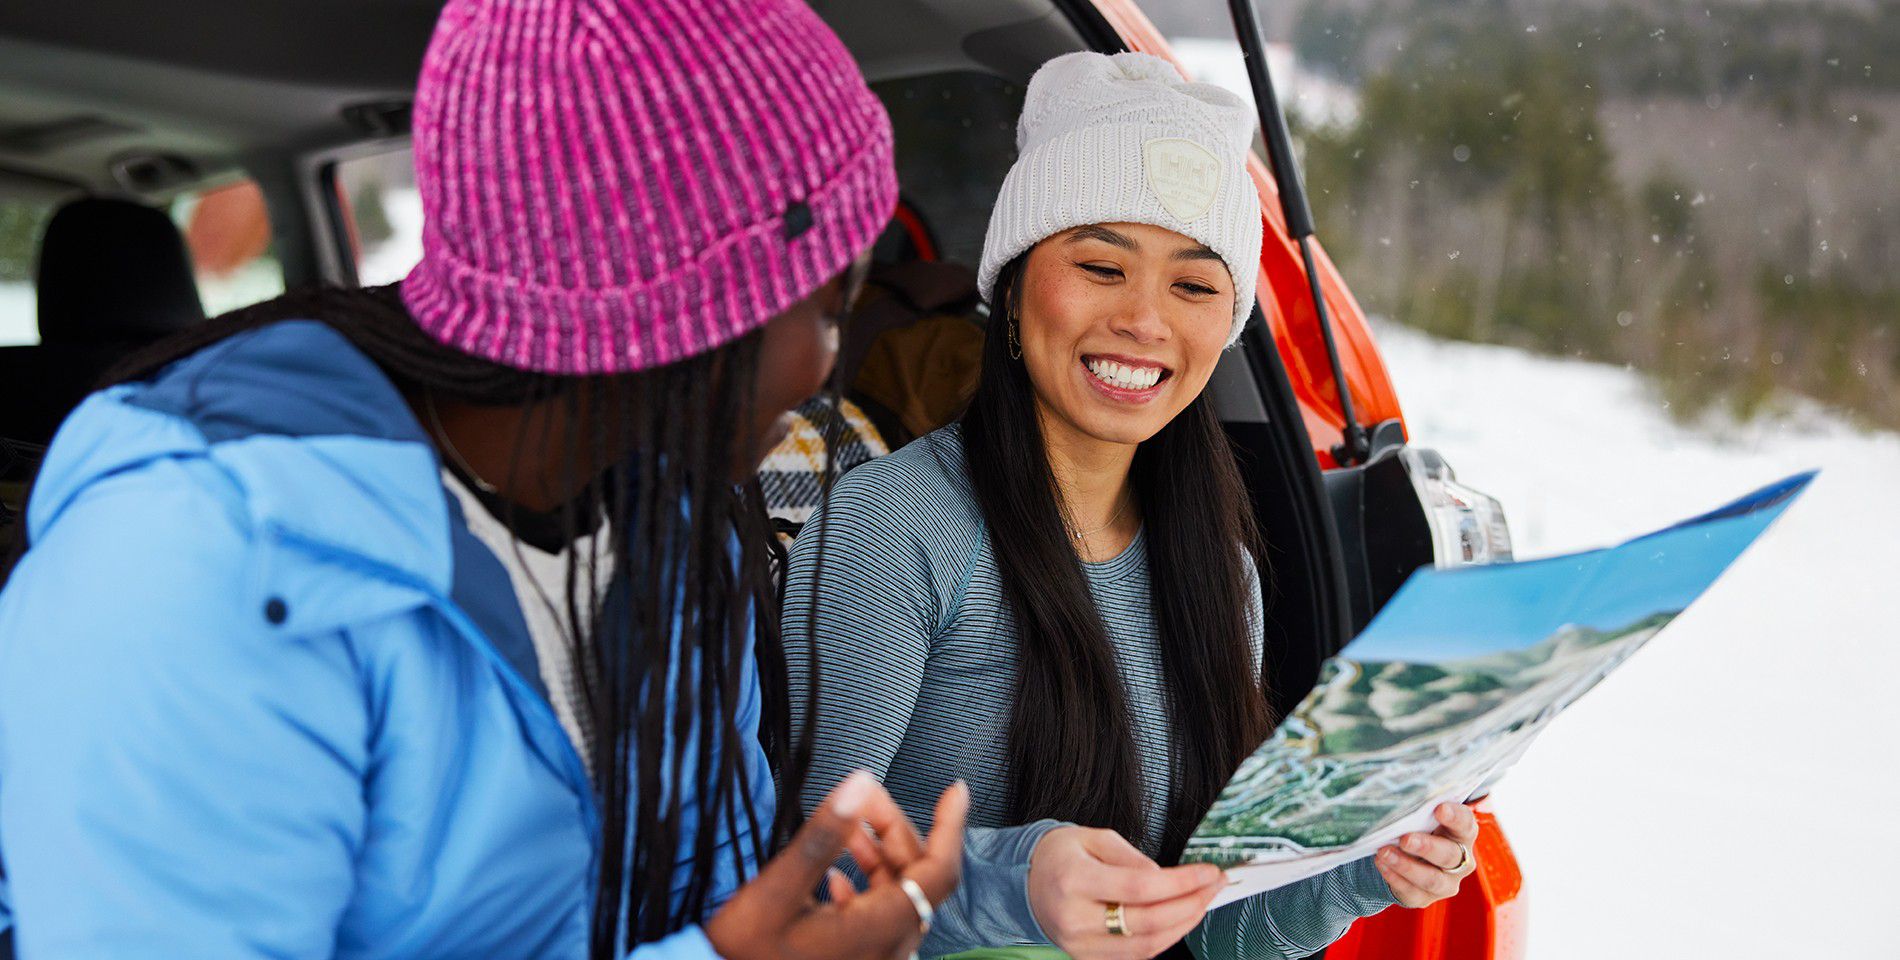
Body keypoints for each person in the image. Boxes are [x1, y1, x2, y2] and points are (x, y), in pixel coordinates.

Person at [0, 0, 969, 957]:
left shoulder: (677, 529)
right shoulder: (196, 567)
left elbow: (713, 884)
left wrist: (837, 908)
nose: (827, 373)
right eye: (831, 306)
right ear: (693, 312)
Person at [783, 52, 1481, 960]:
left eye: (1193, 285)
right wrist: (1021, 885)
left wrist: (1361, 864)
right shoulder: (893, 529)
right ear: (1017, 278)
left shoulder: (1220, 573)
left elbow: (1211, 927)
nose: (1146, 321)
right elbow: (804, 888)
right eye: (1102, 266)